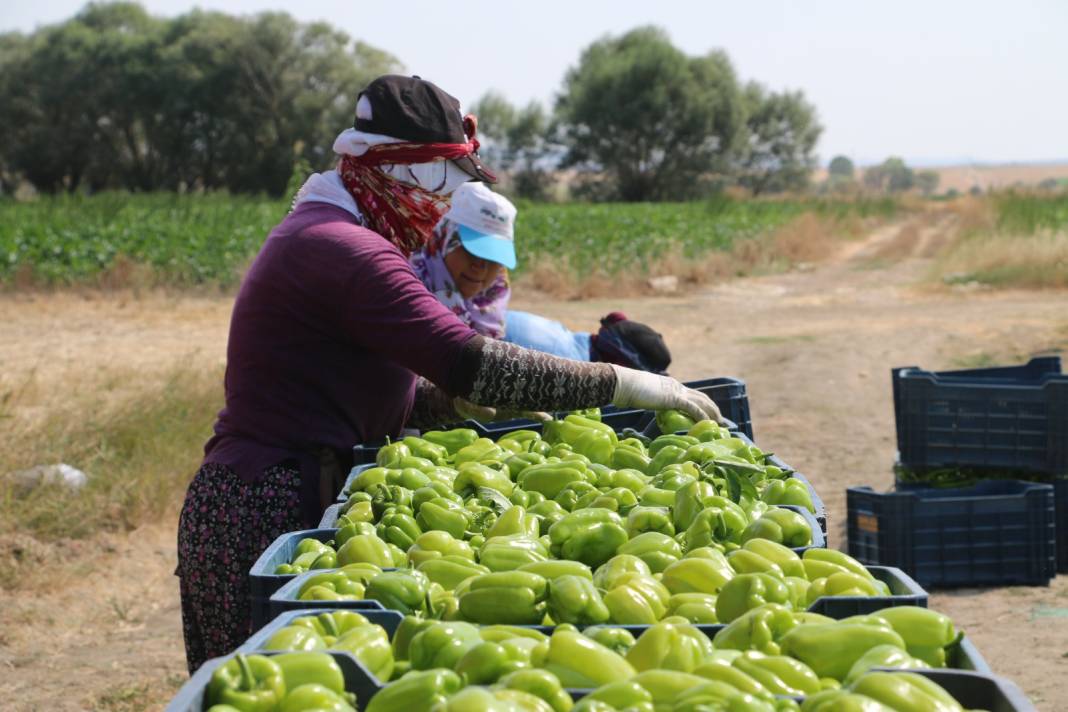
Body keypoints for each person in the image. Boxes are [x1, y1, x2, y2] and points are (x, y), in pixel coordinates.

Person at [175, 74, 721, 673]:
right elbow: (473, 361)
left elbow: (365, 390)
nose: (438, 211)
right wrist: (626, 382)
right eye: (441, 189)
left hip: (290, 490)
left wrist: (448, 407)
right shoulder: (345, 250)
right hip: (264, 505)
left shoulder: (336, 236)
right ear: (401, 173)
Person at [412, 182, 674, 372]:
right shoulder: (408, 292)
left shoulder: (489, 312)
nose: (481, 267)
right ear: (441, 241)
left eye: (493, 258)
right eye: (470, 251)